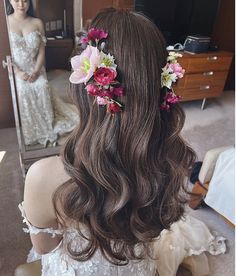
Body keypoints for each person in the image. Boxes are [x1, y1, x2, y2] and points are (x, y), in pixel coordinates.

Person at [19, 8, 226, 276]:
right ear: (159, 86)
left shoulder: (43, 176)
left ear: (85, 89)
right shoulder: (170, 160)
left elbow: (45, 248)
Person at [6, 0, 79, 146]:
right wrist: (18, 72)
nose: (21, 4)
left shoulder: (37, 22)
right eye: (17, 0)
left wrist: (36, 71)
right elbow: (5, 54)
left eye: (25, 0)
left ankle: (47, 125)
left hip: (36, 68)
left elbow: (41, 52)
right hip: (16, 70)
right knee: (23, 90)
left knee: (42, 85)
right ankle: (32, 131)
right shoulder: (5, 22)